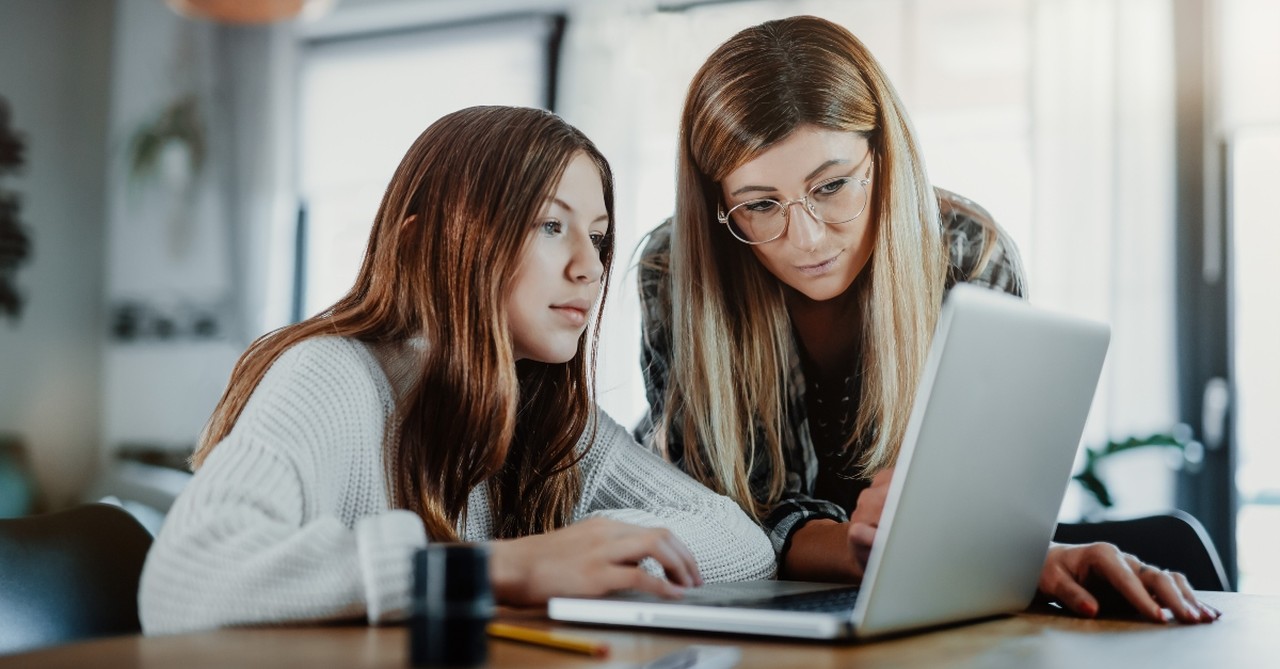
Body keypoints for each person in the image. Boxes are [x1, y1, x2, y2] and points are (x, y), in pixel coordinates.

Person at [636, 15, 1218, 624]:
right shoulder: (676, 272)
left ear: (883, 158)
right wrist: (889, 552)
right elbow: (723, 520)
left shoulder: (968, 255)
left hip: (930, 612)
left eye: (832, 186)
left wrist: (967, 548)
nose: (805, 238)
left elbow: (987, 505)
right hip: (754, 621)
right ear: (719, 205)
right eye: (759, 205)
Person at [138, 106, 775, 635]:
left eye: (600, 235)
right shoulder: (331, 375)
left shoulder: (546, 416)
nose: (590, 267)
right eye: (551, 226)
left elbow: (745, 545)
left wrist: (594, 547)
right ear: (425, 243)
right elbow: (184, 581)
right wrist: (496, 568)